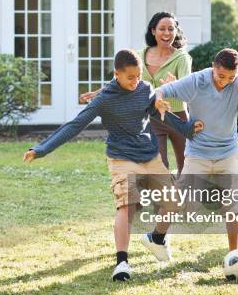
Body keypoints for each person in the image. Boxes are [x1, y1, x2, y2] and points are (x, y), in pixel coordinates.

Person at [23, 49, 203, 282]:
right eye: (131, 77)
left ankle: (156, 238)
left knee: (173, 203)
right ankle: (122, 263)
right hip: (121, 158)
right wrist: (42, 149)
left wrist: (187, 129)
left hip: (149, 155)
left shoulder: (144, 90)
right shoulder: (104, 100)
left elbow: (161, 116)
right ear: (116, 74)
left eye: (139, 76)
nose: (136, 81)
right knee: (126, 205)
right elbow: (75, 125)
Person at [141, 48, 238, 261]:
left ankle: (233, 254)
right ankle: (156, 237)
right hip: (198, 153)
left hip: (228, 153)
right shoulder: (197, 81)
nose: (225, 81)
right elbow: (162, 91)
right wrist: (158, 100)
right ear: (213, 67)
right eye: (221, 76)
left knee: (233, 201)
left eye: (231, 77)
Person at [81, 12, 192, 175]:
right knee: (159, 165)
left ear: (176, 31)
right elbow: (121, 80)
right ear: (153, 31)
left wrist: (174, 86)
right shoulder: (140, 55)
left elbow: (187, 89)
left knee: (187, 165)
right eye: (162, 29)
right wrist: (99, 92)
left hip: (177, 117)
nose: (167, 33)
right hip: (153, 117)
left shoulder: (182, 58)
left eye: (171, 29)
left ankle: (186, 196)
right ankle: (164, 199)